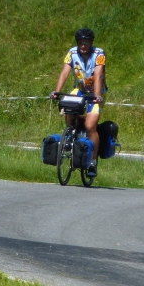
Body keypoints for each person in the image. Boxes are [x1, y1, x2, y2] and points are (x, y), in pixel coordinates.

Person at [50, 28, 107, 177]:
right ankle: (70, 131)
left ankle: (93, 162)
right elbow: (64, 72)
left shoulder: (99, 54)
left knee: (90, 126)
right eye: (81, 43)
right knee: (68, 102)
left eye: (86, 43)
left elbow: (99, 75)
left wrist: (97, 96)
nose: (83, 46)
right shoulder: (72, 53)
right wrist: (56, 91)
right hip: (80, 90)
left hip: (96, 93)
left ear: (91, 43)